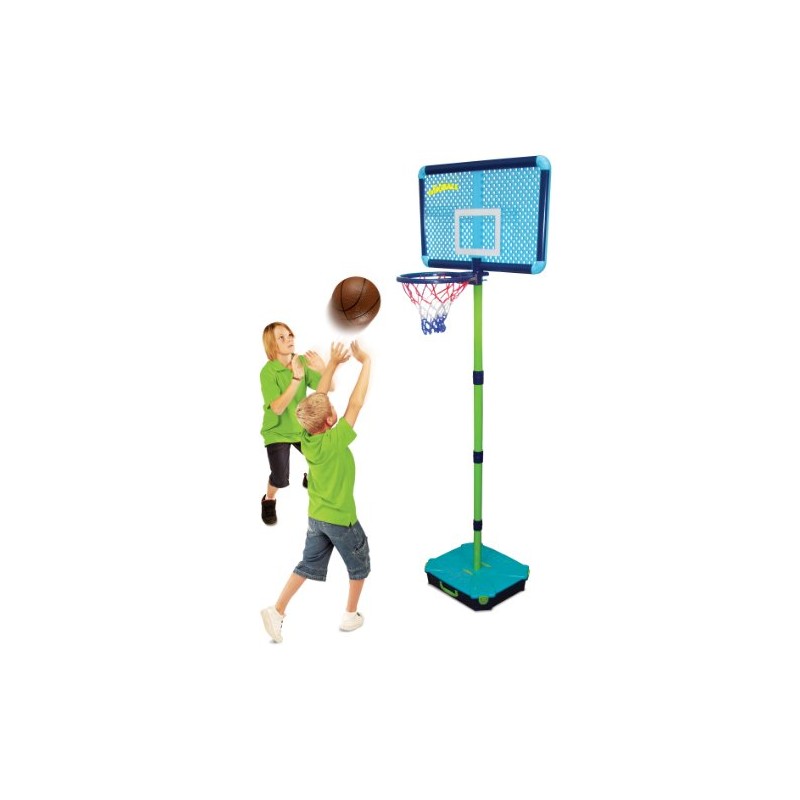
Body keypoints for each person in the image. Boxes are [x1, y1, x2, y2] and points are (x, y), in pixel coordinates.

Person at [261, 340, 371, 642]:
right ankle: (350, 615)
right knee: (360, 564)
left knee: (307, 565)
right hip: (342, 520)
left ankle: (277, 611)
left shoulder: (306, 436)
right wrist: (366, 363)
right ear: (330, 420)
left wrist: (332, 364)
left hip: (317, 518)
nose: (333, 407)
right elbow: (356, 404)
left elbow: (318, 398)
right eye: (333, 410)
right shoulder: (335, 442)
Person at [259, 321, 328, 526]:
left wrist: (324, 370)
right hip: (277, 431)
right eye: (282, 337)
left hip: (301, 427)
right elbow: (278, 408)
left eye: (290, 335)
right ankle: (269, 499)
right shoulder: (268, 372)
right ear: (272, 345)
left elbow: (328, 387)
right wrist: (296, 380)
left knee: (322, 457)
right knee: (280, 478)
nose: (289, 339)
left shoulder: (302, 362)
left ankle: (310, 478)